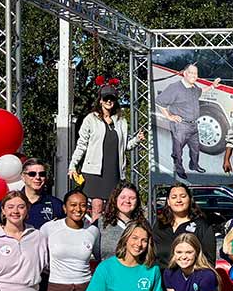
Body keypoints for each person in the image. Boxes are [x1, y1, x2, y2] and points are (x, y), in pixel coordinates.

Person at [69, 79, 144, 219]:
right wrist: (73, 165)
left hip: (115, 170)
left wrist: (137, 140)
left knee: (113, 207)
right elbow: (82, 144)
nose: (109, 101)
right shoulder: (90, 119)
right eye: (106, 98)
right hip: (95, 170)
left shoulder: (121, 121)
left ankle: (111, 236)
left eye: (112, 99)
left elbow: (125, 146)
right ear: (100, 100)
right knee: (96, 206)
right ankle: (96, 236)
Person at [158, 63, 221, 180]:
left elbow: (201, 91)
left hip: (194, 126)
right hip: (180, 126)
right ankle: (179, 169)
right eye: (191, 73)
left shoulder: (194, 87)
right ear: (185, 73)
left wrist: (212, 86)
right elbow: (160, 102)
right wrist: (169, 116)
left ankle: (194, 165)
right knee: (177, 152)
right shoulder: (174, 88)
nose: (194, 75)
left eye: (196, 73)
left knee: (196, 149)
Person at [97, 181, 147, 263]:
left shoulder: (143, 225)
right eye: (123, 197)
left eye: (132, 198)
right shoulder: (101, 224)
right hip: (108, 272)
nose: (127, 201)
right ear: (115, 199)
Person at [16, 159, 65, 229]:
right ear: (23, 177)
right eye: (32, 174)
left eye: (42, 174)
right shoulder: (10, 203)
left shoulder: (56, 205)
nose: (37, 177)